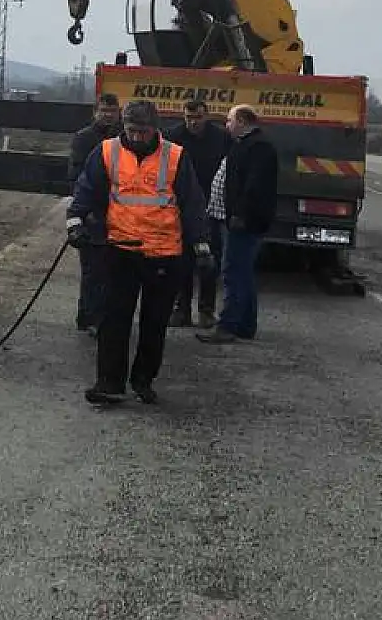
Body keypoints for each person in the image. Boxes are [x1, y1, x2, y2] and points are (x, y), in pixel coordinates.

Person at [67, 99, 211, 405]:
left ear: (154, 129)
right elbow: (85, 189)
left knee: (154, 323)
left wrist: (201, 244)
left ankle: (143, 380)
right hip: (120, 249)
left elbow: (193, 204)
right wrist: (76, 223)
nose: (136, 137)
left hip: (163, 253)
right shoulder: (107, 151)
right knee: (113, 320)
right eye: (131, 130)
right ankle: (109, 383)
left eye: (142, 132)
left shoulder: (175, 157)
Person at [198, 104, 279, 344]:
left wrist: (241, 215)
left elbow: (254, 187)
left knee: (233, 272)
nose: (227, 125)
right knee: (242, 272)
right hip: (232, 218)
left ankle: (228, 325)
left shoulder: (259, 147)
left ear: (242, 121)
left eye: (230, 121)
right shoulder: (244, 145)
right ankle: (245, 325)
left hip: (244, 222)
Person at [167, 99, 231, 328]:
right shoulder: (173, 136)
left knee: (208, 261)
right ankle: (181, 309)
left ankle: (206, 310)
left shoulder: (221, 138)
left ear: (207, 116)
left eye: (198, 117)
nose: (193, 122)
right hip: (180, 206)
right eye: (189, 117)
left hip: (211, 206)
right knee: (181, 261)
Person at [65, 93, 120, 334]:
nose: (108, 115)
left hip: (118, 212)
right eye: (104, 110)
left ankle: (97, 315)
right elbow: (76, 177)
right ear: (95, 112)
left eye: (112, 111)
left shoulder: (122, 139)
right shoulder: (84, 138)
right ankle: (89, 316)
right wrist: (82, 212)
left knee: (110, 270)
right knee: (93, 270)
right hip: (92, 213)